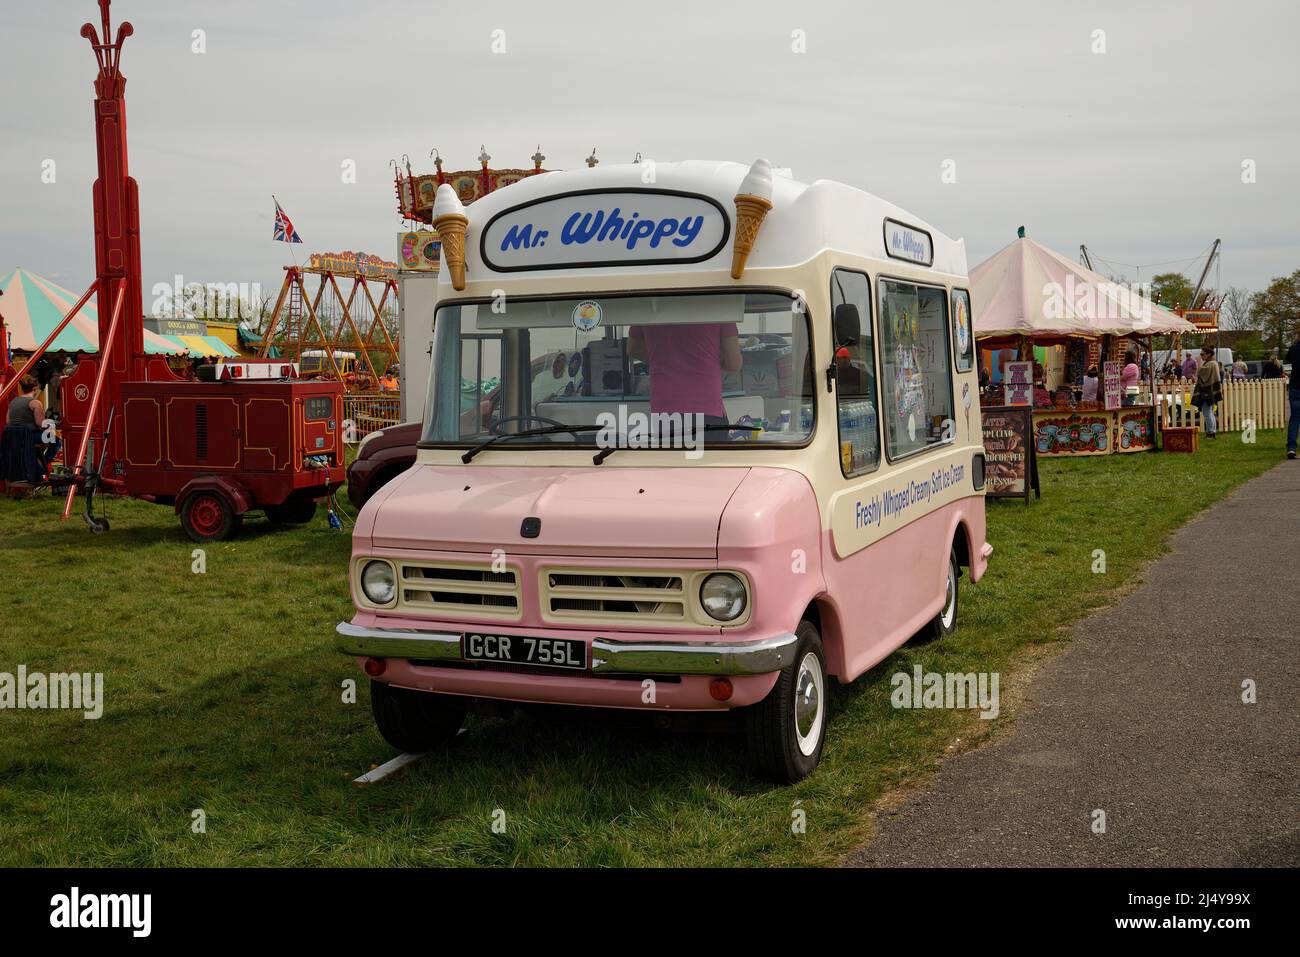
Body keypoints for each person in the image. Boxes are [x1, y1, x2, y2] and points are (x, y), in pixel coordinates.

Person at [627, 321, 742, 441]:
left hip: (665, 408)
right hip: (706, 406)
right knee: (709, 459)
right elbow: (734, 363)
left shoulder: (647, 305)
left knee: (672, 459)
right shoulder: (721, 305)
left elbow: (633, 348)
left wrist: (661, 359)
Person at [1, 375, 49, 484]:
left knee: (35, 446)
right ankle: (43, 467)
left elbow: (8, 422)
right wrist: (51, 423)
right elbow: (40, 423)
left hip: (12, 437)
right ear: (35, 389)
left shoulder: (13, 402)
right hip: (28, 436)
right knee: (56, 441)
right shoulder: (35, 403)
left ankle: (37, 464)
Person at [1191, 346, 1222, 439]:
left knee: (1207, 412)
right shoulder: (1213, 363)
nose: (1201, 356)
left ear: (1208, 354)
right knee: (1210, 412)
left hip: (1207, 391)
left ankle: (1210, 433)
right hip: (1210, 391)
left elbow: (1201, 372)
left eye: (1202, 354)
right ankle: (1211, 432)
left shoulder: (1210, 364)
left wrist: (1198, 364)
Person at [1286, 334, 1300, 459]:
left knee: (1295, 418)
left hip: (1295, 385)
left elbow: (1288, 359)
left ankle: (1291, 448)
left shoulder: (1294, 348)